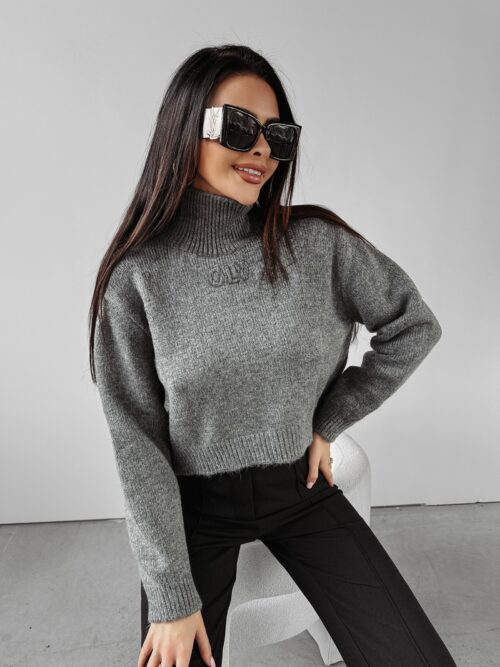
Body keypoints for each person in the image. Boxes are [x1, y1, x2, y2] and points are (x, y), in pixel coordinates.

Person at [88, 44, 457, 667]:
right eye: (238, 126)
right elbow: (137, 443)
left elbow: (413, 325)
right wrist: (172, 595)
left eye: (277, 135)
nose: (261, 148)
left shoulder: (316, 245)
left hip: (300, 489)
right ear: (184, 127)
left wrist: (330, 420)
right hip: (194, 509)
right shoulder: (138, 279)